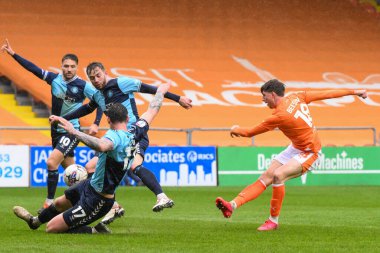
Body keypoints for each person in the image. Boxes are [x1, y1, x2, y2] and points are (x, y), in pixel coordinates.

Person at [13, 82, 172, 234]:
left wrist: (75, 132)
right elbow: (152, 109)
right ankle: (34, 221)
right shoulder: (136, 131)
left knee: (51, 228)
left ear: (108, 119)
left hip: (99, 200)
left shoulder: (114, 137)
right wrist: (160, 92)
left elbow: (103, 146)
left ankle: (95, 230)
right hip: (90, 185)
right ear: (128, 119)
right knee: (60, 202)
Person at [215, 79, 368, 231]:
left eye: (264, 96)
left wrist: (235, 128)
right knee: (266, 176)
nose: (263, 100)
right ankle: (232, 206)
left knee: (278, 175)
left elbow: (250, 133)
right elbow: (326, 94)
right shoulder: (297, 97)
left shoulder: (279, 115)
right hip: (296, 147)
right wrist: (354, 92)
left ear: (273, 94)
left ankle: (273, 221)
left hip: (311, 152)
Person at [62, 61, 192, 224]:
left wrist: (178, 98)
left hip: (133, 134)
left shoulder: (121, 83)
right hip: (115, 139)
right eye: (92, 78)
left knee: (134, 166)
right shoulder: (97, 94)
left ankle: (162, 197)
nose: (95, 80)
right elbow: (87, 109)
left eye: (98, 75)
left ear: (105, 72)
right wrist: (64, 118)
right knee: (90, 167)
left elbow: (151, 89)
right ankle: (114, 206)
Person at [1, 39, 103, 213]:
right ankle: (100, 204)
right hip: (55, 132)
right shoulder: (54, 79)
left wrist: (96, 123)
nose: (68, 69)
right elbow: (33, 69)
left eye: (72, 66)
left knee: (51, 162)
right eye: (66, 66)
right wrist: (13, 54)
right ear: (61, 66)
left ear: (77, 68)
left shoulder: (84, 86)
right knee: (74, 176)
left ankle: (49, 203)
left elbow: (100, 101)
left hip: (71, 131)